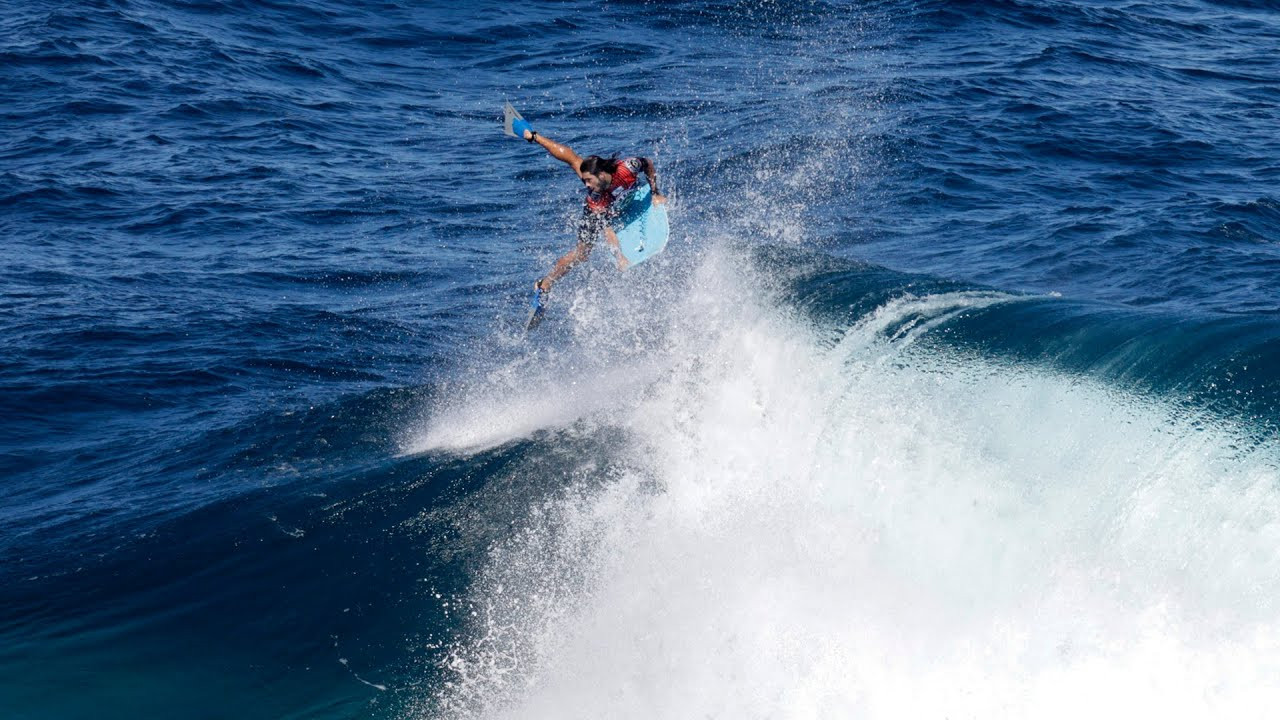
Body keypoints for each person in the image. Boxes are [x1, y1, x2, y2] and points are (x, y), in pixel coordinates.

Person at [519, 126, 666, 293]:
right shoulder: (596, 198)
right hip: (594, 213)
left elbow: (648, 164)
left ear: (602, 175)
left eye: (589, 180)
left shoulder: (628, 168)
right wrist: (619, 256)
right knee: (582, 254)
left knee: (575, 161)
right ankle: (545, 283)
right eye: (585, 180)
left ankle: (535, 136)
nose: (586, 185)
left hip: (617, 199)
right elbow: (607, 230)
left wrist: (655, 193)